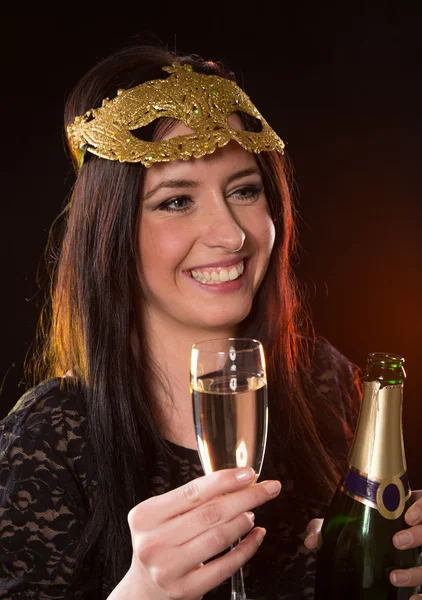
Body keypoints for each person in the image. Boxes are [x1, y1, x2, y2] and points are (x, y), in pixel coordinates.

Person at [0, 41, 421, 600]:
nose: (231, 235)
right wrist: (141, 594)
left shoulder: (326, 380)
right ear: (112, 233)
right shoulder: (48, 435)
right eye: (176, 201)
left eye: (244, 190)